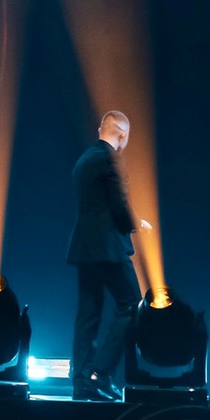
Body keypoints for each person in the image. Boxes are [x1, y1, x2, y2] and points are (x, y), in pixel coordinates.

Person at [68, 109, 147, 399]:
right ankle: (100, 374)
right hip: (108, 248)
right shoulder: (110, 160)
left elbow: (96, 204)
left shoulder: (84, 160)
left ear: (101, 128)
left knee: (88, 312)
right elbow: (118, 203)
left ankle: (80, 380)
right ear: (122, 134)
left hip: (84, 247)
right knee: (131, 305)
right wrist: (136, 224)